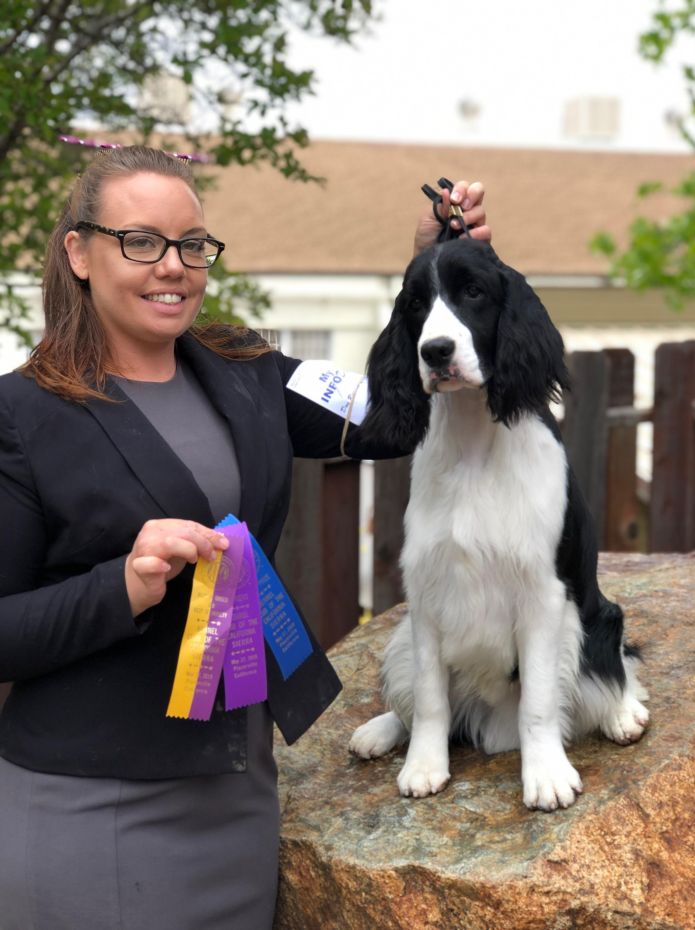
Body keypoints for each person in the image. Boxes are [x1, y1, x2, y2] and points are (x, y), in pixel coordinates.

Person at [0, 144, 489, 930]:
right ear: (79, 251)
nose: (173, 267)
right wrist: (118, 587)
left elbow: (396, 420)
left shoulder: (249, 368)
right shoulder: (20, 415)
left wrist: (431, 276)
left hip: (238, 796)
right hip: (91, 810)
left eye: (193, 245)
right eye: (141, 241)